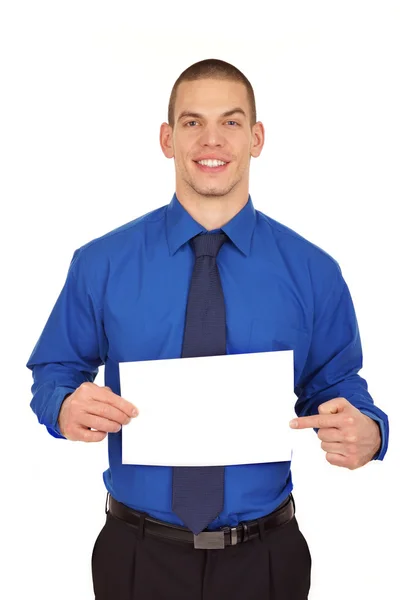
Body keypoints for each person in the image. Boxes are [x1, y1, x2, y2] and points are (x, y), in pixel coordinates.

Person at [27, 58, 389, 600]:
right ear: (167, 138)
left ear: (257, 138)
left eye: (232, 121)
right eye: (193, 122)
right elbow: (55, 369)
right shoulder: (101, 263)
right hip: (136, 556)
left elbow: (336, 382)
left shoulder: (313, 271)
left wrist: (371, 430)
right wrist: (62, 405)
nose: (211, 139)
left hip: (267, 560)